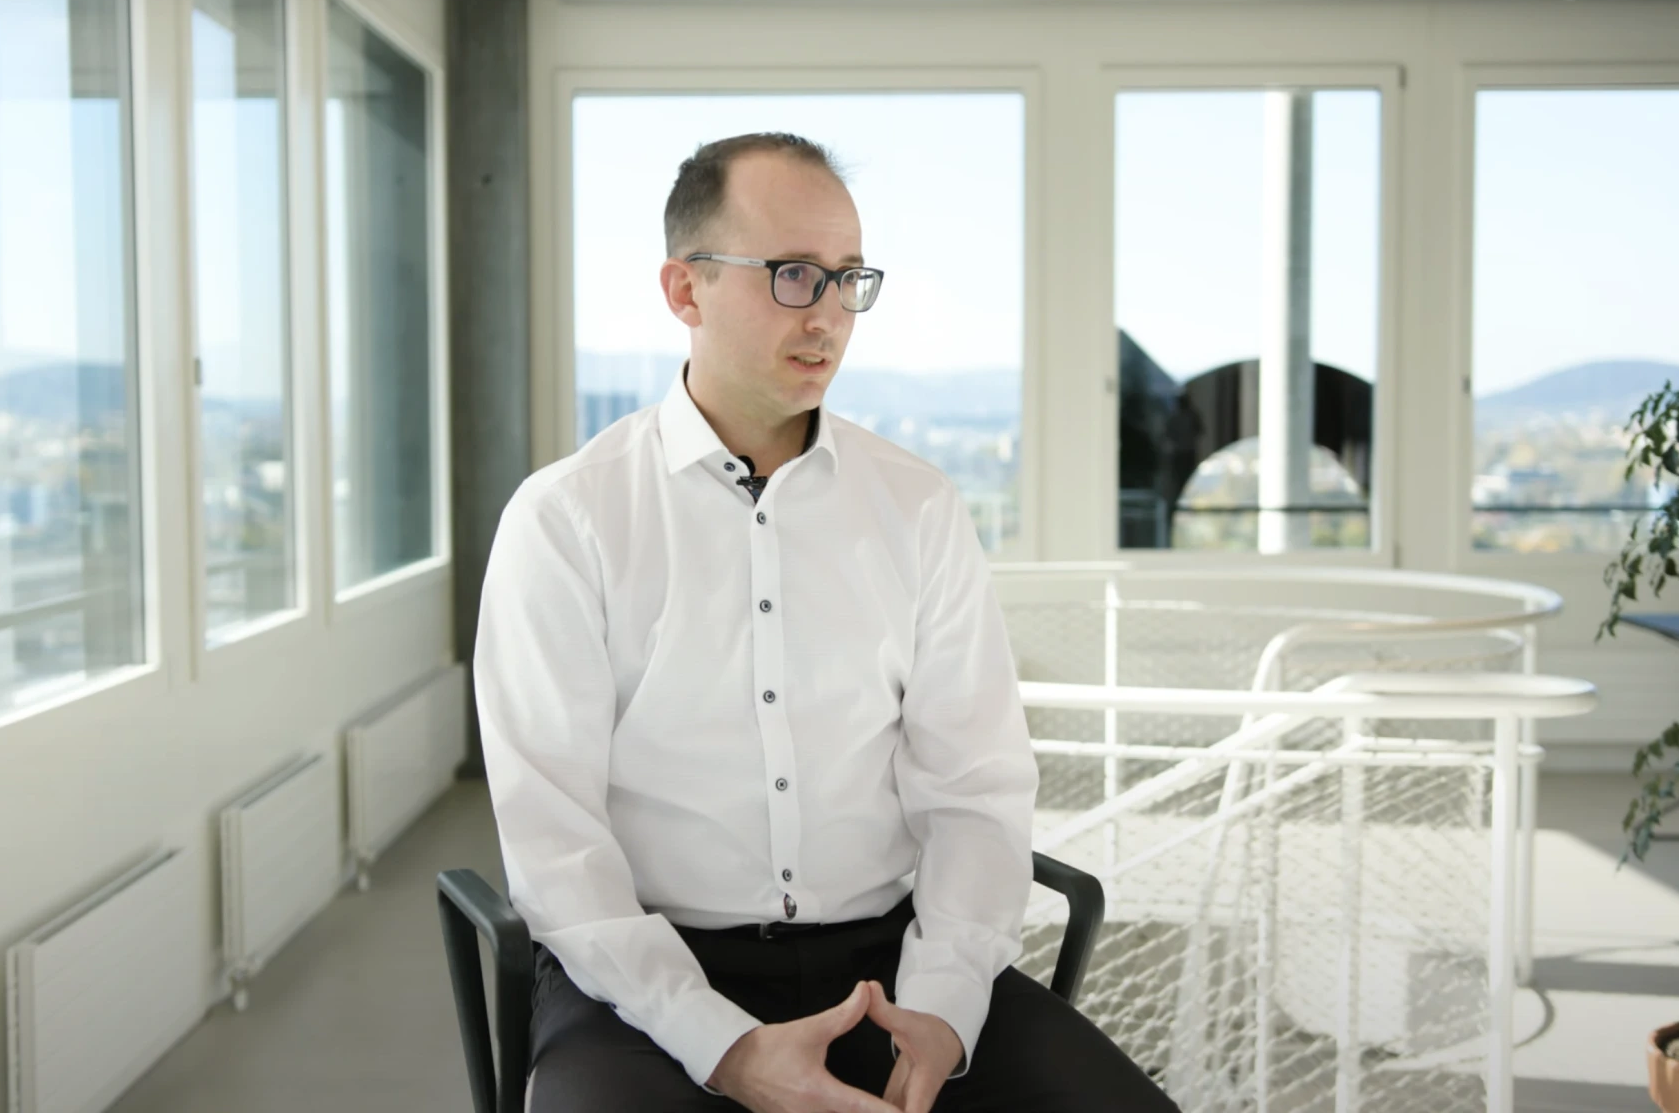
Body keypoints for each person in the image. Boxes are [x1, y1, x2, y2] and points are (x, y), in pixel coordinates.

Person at [474, 132, 1178, 1113]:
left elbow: (974, 792)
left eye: (849, 279)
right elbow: (555, 842)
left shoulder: (917, 508)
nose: (829, 315)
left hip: (891, 968)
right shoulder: (566, 521)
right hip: (649, 980)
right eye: (794, 274)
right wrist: (724, 1047)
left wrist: (941, 1008)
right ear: (685, 290)